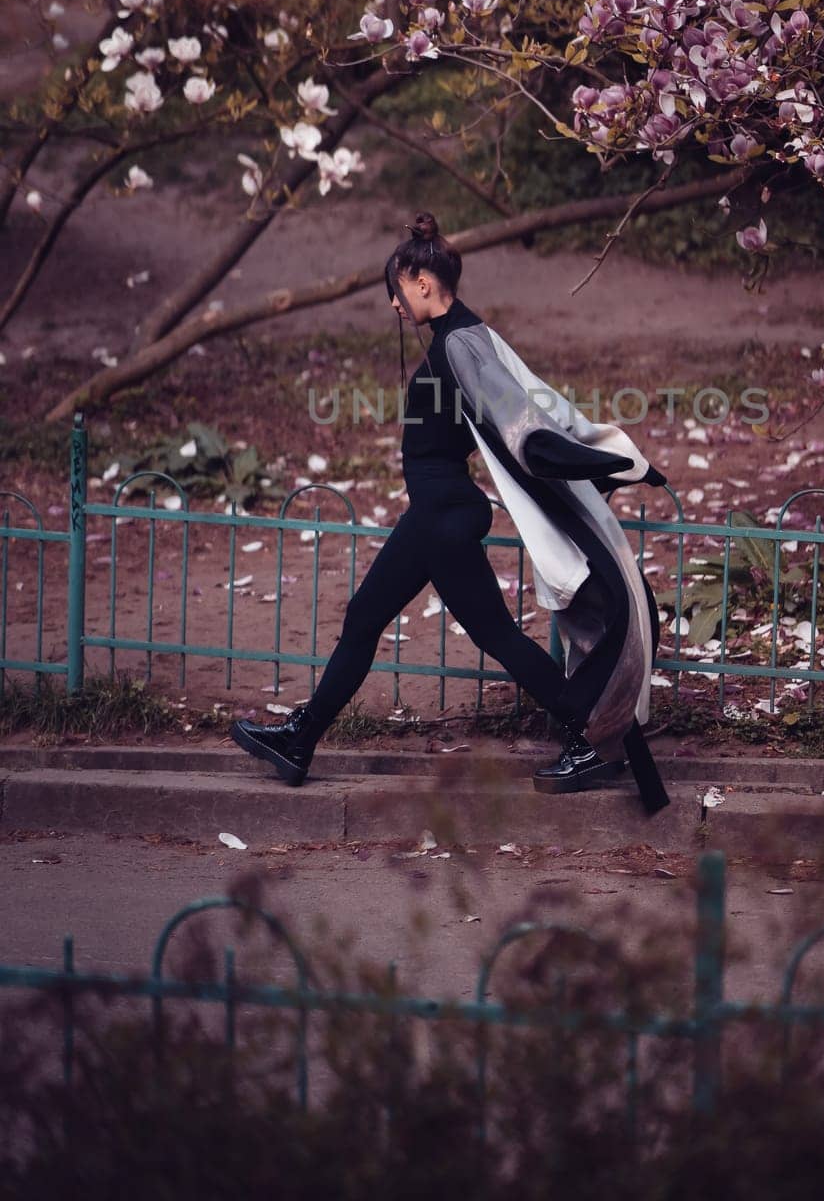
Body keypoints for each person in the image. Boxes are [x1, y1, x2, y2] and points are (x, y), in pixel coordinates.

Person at [230, 212, 670, 814]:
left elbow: (525, 425)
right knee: (374, 620)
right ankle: (301, 741)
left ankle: (585, 736)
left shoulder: (462, 343)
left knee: (476, 633)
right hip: (439, 513)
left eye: (395, 288)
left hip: (443, 515)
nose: (392, 304)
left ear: (418, 278)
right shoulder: (461, 340)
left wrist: (610, 463)